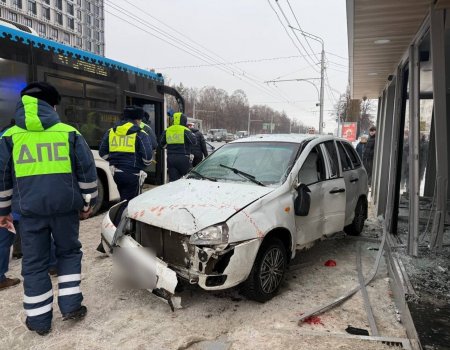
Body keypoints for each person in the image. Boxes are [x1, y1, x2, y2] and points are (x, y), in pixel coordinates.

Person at [0, 82, 98, 335]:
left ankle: (39, 321)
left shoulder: (8, 137)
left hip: (29, 215)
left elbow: (2, 178)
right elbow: (87, 172)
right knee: (68, 254)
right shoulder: (69, 133)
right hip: (65, 211)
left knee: (33, 264)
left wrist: (3, 212)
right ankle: (71, 307)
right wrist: (88, 202)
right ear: (52, 105)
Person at [99, 105, 153, 202]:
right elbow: (148, 158)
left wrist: (114, 160)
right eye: (140, 120)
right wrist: (141, 165)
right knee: (131, 203)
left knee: (123, 199)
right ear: (137, 119)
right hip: (132, 174)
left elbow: (102, 153)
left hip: (115, 173)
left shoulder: (111, 131)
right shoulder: (140, 133)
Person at [0, 121, 20, 290]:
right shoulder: (12, 139)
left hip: (7, 197)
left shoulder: (4, 136)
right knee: (5, 235)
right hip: (9, 198)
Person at [160, 112, 196, 181]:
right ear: (184, 120)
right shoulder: (185, 130)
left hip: (171, 158)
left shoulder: (167, 130)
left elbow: (161, 145)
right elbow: (194, 142)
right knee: (188, 180)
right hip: (183, 158)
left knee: (173, 181)